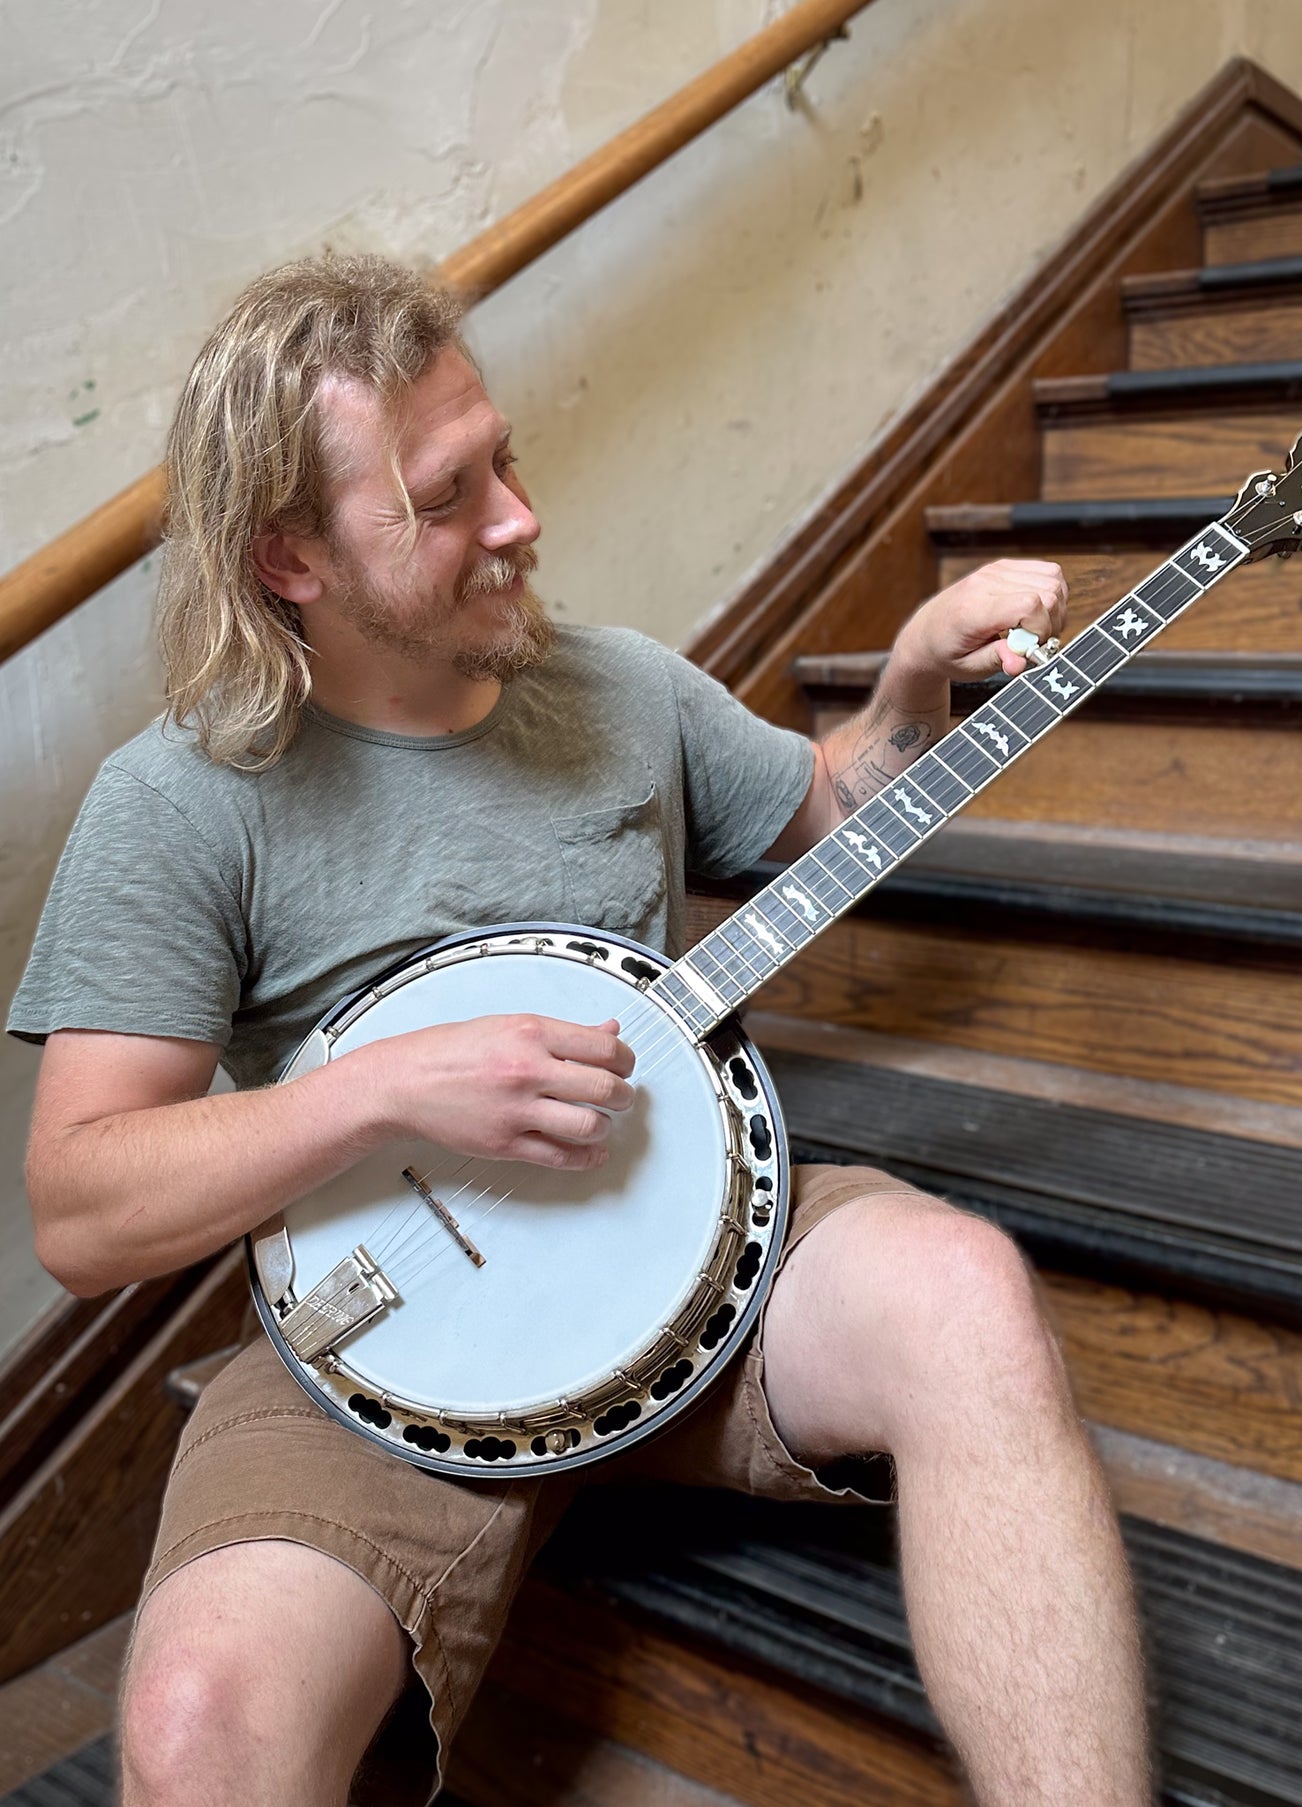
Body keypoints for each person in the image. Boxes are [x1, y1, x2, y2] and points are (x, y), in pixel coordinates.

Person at [8, 254, 1149, 1807]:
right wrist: (384, 1092)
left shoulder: (618, 688)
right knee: (202, 1718)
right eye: (446, 494)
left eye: (505, 460)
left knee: (961, 1290)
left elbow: (825, 816)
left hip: (699, 1255)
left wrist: (903, 680)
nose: (520, 517)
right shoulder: (179, 801)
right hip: (383, 1343)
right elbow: (81, 1207)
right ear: (292, 558)